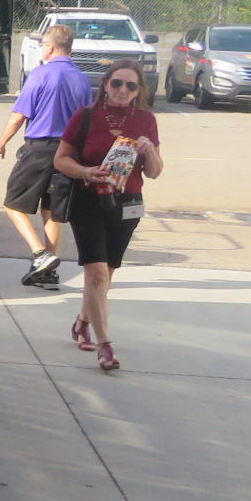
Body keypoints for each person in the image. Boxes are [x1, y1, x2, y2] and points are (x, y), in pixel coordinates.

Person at [54, 60, 164, 372]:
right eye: (116, 83)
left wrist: (150, 152)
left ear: (138, 91)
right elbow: (60, 160)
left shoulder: (145, 120)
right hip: (89, 200)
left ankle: (81, 322)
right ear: (105, 84)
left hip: (127, 204)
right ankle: (105, 346)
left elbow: (154, 173)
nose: (122, 90)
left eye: (130, 86)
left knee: (107, 275)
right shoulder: (85, 117)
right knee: (97, 273)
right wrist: (87, 171)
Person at [0, 24, 91, 287]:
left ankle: (40, 254)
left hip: (40, 148)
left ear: (49, 46)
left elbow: (18, 115)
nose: (40, 48)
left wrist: (1, 144)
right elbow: (86, 121)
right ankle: (49, 271)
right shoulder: (82, 79)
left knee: (12, 203)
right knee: (51, 211)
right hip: (69, 152)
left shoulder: (40, 75)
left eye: (41, 44)